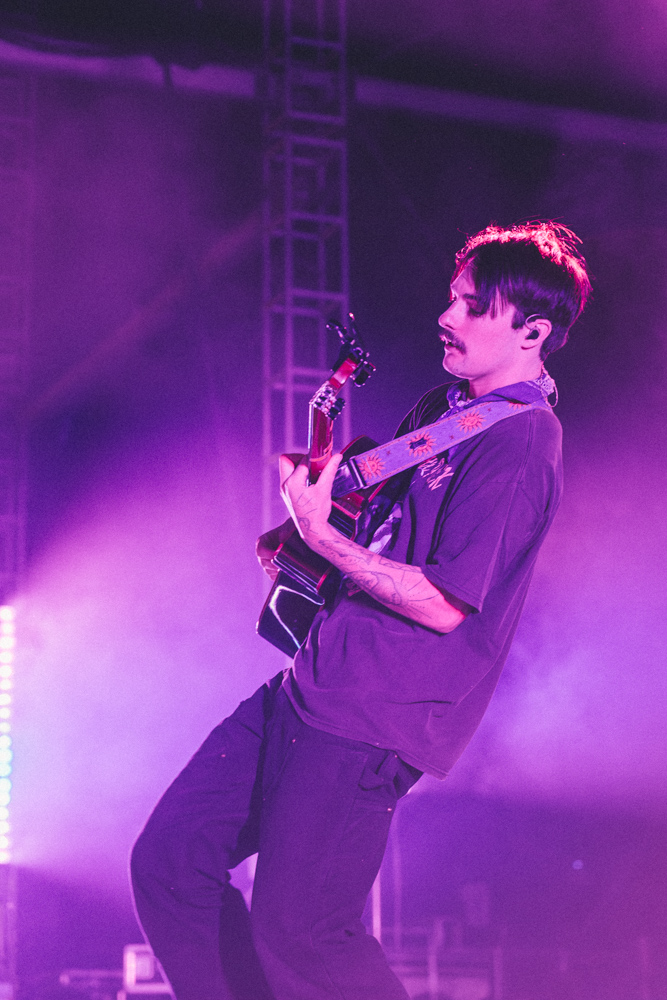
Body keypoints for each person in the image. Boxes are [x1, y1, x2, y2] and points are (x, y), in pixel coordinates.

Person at [131, 221, 592, 1000]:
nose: (447, 317)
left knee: (302, 930)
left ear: (532, 332)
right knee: (170, 862)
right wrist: (310, 521)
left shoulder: (520, 446)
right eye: (453, 298)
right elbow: (374, 525)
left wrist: (323, 538)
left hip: (372, 721)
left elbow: (446, 603)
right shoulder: (442, 410)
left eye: (473, 307)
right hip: (307, 689)